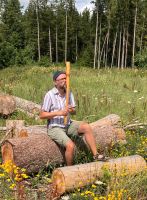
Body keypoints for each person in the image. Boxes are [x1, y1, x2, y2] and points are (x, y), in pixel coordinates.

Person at [39, 71, 107, 166]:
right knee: (70, 146)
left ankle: (95, 155)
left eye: (65, 78)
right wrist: (59, 112)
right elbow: (42, 115)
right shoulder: (49, 95)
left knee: (86, 127)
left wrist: (71, 110)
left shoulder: (69, 92)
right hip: (55, 127)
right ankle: (69, 169)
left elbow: (74, 111)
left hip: (68, 124)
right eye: (62, 79)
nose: (65, 81)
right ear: (55, 82)